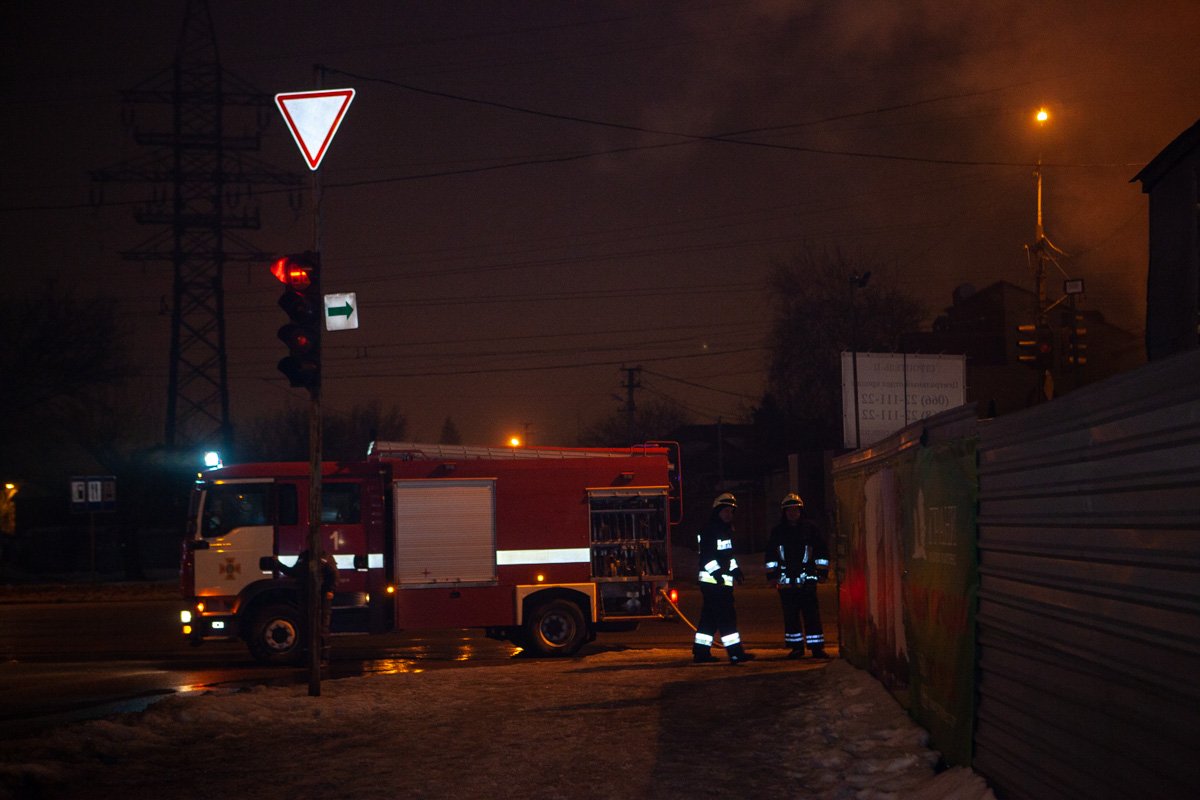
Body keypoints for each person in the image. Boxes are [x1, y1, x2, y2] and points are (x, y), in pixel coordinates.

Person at [764, 493, 831, 659]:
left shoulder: (811, 529)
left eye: (795, 510)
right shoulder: (778, 532)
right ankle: (796, 648)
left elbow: (822, 552)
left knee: (812, 616)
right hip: (786, 582)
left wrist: (822, 573)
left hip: (807, 580)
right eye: (789, 511)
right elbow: (770, 556)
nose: (793, 514)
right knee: (791, 616)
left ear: (801, 511)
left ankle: (816, 648)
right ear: (784, 512)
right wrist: (772, 577)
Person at [693, 492, 755, 664]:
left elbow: (728, 557)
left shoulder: (724, 530)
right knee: (727, 618)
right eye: (726, 511)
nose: (729, 514)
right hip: (714, 583)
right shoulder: (710, 530)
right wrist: (717, 574)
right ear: (717, 511)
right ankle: (735, 653)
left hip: (719, 583)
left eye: (731, 511)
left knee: (709, 619)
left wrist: (736, 571)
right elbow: (707, 557)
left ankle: (701, 652)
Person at [277, 549, 338, 662]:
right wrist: (278, 564)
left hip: (321, 597)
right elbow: (294, 572)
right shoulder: (304, 556)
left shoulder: (325, 555)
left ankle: (323, 657)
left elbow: (333, 574)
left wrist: (330, 590)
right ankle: (307, 657)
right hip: (305, 596)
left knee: (321, 627)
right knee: (305, 626)